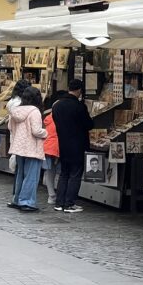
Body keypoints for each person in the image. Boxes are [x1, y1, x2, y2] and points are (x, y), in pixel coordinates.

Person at [52, 79, 94, 213]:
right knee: (75, 174)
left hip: (63, 144)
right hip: (77, 144)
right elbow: (88, 125)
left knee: (64, 173)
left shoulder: (57, 105)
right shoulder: (79, 106)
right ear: (79, 90)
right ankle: (69, 203)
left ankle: (59, 202)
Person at [7, 86, 48, 212]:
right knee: (31, 175)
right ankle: (27, 202)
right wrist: (45, 133)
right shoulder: (34, 111)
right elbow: (36, 131)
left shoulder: (16, 111)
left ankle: (17, 198)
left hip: (19, 146)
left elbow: (10, 127)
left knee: (20, 174)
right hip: (32, 147)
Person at [42, 90, 67, 205]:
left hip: (48, 147)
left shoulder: (48, 117)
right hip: (58, 147)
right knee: (63, 172)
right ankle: (61, 195)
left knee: (49, 171)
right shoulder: (63, 115)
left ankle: (51, 195)